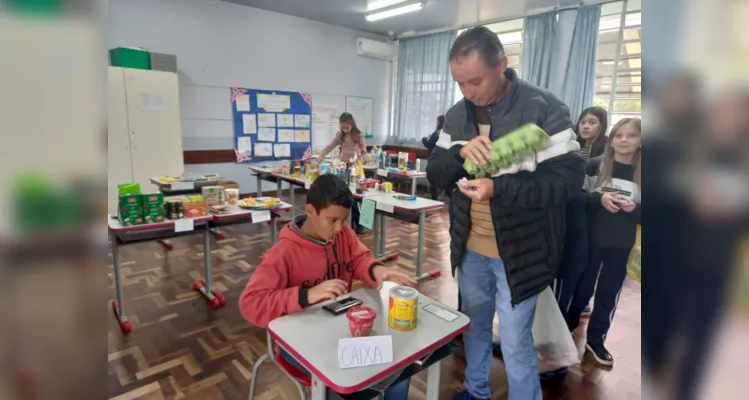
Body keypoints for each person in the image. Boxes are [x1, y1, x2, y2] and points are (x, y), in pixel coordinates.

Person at [426, 26, 584, 400]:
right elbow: (434, 173)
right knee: (474, 326)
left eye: (475, 81)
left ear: (502, 64)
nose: (468, 93)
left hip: (522, 252)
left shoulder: (543, 108)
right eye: (459, 83)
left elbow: (568, 181)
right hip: (470, 247)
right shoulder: (456, 115)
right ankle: (477, 390)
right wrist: (459, 153)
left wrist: (500, 188)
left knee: (514, 342)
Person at [238, 174, 417, 399]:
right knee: (342, 383)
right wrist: (306, 295)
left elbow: (358, 258)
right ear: (310, 211)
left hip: (339, 327)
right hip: (298, 342)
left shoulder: (342, 233)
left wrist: (376, 270)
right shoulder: (284, 252)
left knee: (399, 368)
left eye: (344, 219)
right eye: (332, 220)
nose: (340, 228)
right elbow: (250, 303)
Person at [566, 118, 642, 367]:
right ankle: (567, 328)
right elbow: (577, 197)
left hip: (622, 244)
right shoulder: (594, 165)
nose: (623, 140)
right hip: (591, 239)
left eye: (630, 135)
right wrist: (599, 199)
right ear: (611, 139)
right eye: (619, 135)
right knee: (582, 287)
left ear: (641, 140)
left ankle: (596, 339)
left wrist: (635, 208)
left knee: (609, 292)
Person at [555, 107, 609, 328]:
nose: (586, 126)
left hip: (597, 220)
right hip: (573, 217)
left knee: (586, 270)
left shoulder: (607, 153)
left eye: (592, 122)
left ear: (602, 125)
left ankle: (578, 306)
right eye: (583, 122)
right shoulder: (570, 147)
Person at [314, 112, 368, 233]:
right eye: (343, 127)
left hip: (356, 169)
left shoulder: (358, 135)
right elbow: (329, 147)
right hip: (343, 168)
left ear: (352, 124)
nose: (345, 129)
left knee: (359, 197)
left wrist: (359, 162)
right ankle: (349, 222)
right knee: (346, 196)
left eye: (347, 127)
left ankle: (360, 223)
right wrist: (319, 159)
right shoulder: (341, 136)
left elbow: (364, 153)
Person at [422, 115, 446, 200]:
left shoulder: (436, 133)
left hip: (434, 158)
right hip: (443, 159)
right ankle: (438, 194)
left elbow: (428, 144)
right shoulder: (446, 134)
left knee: (432, 177)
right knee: (439, 177)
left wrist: (424, 139)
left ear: (439, 122)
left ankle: (434, 196)